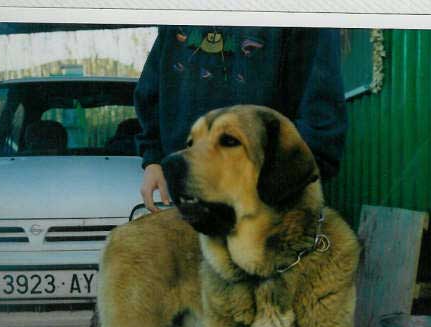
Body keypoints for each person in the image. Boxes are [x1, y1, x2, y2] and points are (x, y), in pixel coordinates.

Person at [135, 25, 347, 211]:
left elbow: (321, 120)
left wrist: (274, 191)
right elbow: (151, 92)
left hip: (264, 208)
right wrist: (153, 160)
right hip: (185, 201)